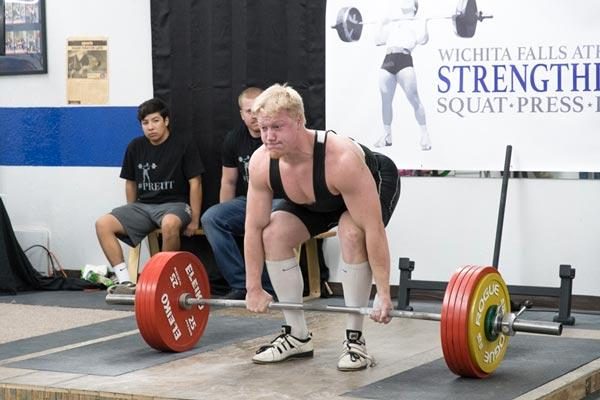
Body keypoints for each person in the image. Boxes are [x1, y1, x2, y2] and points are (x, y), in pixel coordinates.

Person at [244, 84, 400, 371]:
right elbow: (253, 228)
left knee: (352, 232)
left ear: (300, 121)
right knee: (273, 233)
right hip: (314, 198)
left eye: (277, 127)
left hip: (370, 180)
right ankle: (297, 336)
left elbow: (374, 229)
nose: (269, 136)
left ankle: (355, 340)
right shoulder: (261, 162)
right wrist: (253, 287)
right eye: (264, 128)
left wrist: (384, 293)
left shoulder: (340, 158)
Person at [95, 98, 204, 294]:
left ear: (166, 121)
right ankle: (125, 281)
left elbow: (195, 182)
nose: (150, 127)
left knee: (170, 224)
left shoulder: (183, 144)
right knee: (103, 224)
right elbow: (130, 182)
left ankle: (164, 280)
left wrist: (194, 219)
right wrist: (131, 211)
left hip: (175, 205)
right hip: (143, 206)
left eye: (155, 121)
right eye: (145, 123)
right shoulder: (135, 146)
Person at [201, 87, 276, 300]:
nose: (254, 115)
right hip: (251, 200)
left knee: (264, 220)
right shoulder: (234, 139)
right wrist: (225, 213)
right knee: (212, 218)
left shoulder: (275, 134)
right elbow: (229, 181)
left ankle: (268, 287)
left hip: (282, 199)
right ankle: (241, 284)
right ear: (241, 114)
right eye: (248, 111)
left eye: (258, 109)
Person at [374, 0, 432, 151]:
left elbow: (423, 40)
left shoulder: (417, 22)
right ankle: (387, 136)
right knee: (385, 100)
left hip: (404, 59)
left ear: (414, 7)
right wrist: (381, 24)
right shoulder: (394, 23)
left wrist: (425, 23)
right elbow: (378, 40)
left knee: (414, 99)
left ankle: (425, 135)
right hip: (388, 60)